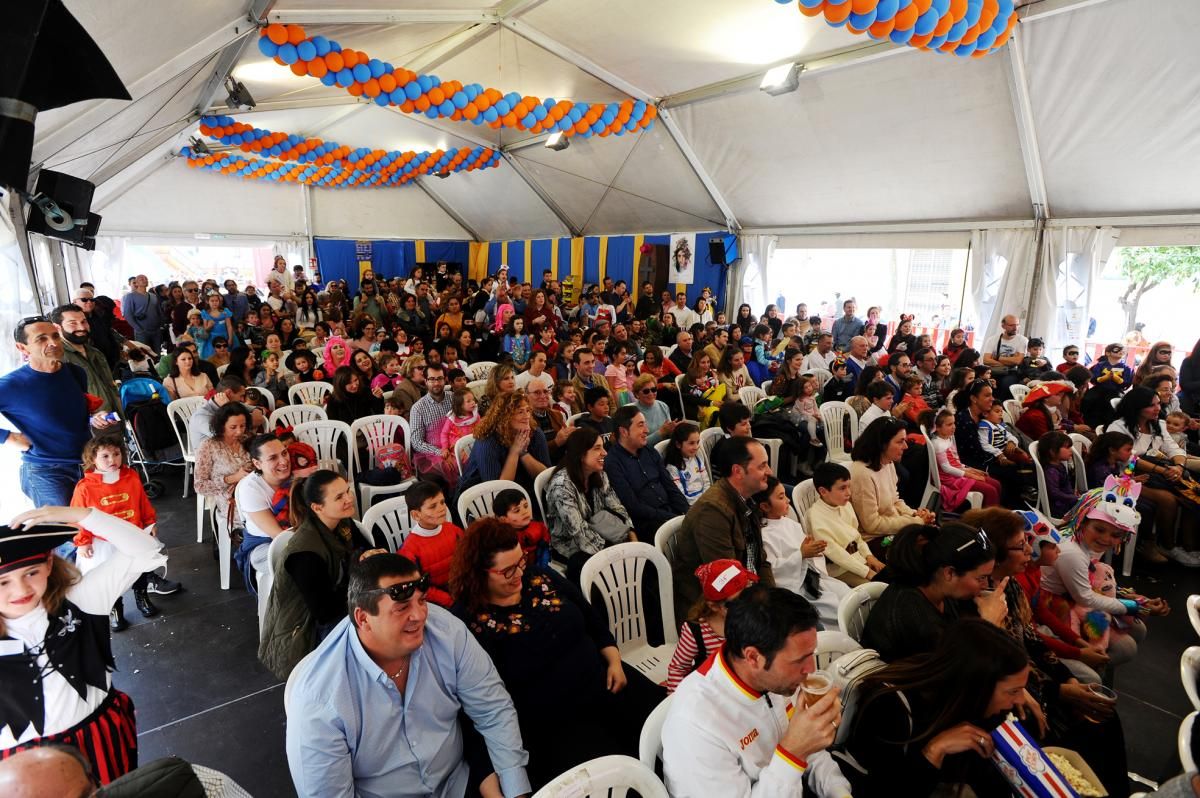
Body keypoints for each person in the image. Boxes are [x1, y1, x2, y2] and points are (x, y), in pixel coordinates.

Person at [286, 553, 532, 796]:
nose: (420, 615)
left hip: (458, 783)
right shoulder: (319, 698)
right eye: (402, 607)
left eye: (422, 600)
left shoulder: (447, 632)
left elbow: (493, 710)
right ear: (363, 618)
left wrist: (515, 789)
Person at [449, 519, 664, 789]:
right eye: (507, 571)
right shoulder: (466, 623)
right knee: (617, 779)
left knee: (669, 732)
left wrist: (613, 659)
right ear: (479, 572)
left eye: (521, 562)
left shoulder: (542, 577)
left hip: (605, 679)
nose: (518, 573)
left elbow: (592, 619)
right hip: (555, 721)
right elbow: (475, 709)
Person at [0, 505, 166, 782]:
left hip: (98, 734)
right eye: (2, 582)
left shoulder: (81, 600)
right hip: (19, 760)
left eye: (31, 572)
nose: (21, 590)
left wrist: (82, 516)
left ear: (50, 564)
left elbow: (146, 550)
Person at [662, 585, 851, 798]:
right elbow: (798, 750)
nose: (811, 670)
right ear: (753, 657)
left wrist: (838, 790)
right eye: (799, 660)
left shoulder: (777, 679)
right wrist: (793, 752)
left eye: (811, 654)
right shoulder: (696, 726)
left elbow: (813, 753)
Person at [844, 619, 1029, 797]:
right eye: (1013, 691)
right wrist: (934, 751)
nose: (1020, 700)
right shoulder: (888, 708)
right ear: (976, 685)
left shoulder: (964, 699)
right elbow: (887, 790)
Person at [1040, 477, 1168, 669]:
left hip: (1076, 597)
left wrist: (1131, 598)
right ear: (1083, 521)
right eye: (1099, 529)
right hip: (1053, 605)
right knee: (1126, 648)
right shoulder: (1071, 552)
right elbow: (1085, 598)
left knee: (1137, 630)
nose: (1106, 539)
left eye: (1116, 535)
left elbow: (1091, 580)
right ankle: (1080, 675)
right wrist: (1136, 606)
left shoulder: (1088, 542)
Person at [259, 471, 377, 679]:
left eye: (347, 492)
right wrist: (358, 571)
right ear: (317, 507)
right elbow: (325, 611)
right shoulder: (304, 552)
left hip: (340, 603)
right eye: (339, 497)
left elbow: (366, 555)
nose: (349, 498)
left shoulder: (343, 524)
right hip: (304, 630)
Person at [0, 317, 122, 508]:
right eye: (41, 339)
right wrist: (8, 437)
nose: (53, 343)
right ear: (23, 348)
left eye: (55, 336)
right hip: (47, 471)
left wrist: (94, 417)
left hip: (86, 463)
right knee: (63, 532)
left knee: (95, 527)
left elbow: (74, 412)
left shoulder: (75, 372)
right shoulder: (11, 385)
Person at [69, 435, 179, 630]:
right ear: (93, 459)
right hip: (104, 542)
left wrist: (149, 522)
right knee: (111, 577)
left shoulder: (131, 476)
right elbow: (79, 517)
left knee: (140, 569)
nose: (112, 460)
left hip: (134, 535)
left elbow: (142, 502)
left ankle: (142, 598)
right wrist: (83, 541)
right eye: (105, 456)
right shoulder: (85, 487)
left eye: (116, 454)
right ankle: (114, 609)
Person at [671, 437, 775, 622]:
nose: (769, 471)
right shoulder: (713, 512)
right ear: (738, 471)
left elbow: (761, 561)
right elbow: (727, 582)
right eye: (762, 466)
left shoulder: (747, 501)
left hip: (744, 595)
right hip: (714, 612)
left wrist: (774, 600)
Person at [1109, 386, 1198, 557]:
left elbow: (1174, 449)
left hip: (1156, 474)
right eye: (1152, 405)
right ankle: (1167, 545)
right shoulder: (1119, 427)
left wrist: (1178, 467)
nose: (1158, 408)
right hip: (1126, 477)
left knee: (1191, 494)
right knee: (1168, 499)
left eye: (1158, 403)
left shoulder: (1159, 425)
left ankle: (1188, 545)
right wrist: (1161, 470)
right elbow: (1129, 459)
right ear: (1137, 406)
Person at [755, 475, 848, 629]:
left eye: (785, 494)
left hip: (813, 577)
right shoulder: (763, 535)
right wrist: (801, 555)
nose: (788, 500)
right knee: (835, 610)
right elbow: (772, 569)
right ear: (765, 506)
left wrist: (813, 551)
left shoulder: (790, 523)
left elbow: (807, 553)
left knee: (845, 593)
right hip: (796, 588)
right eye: (781, 497)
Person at [545, 428, 634, 582]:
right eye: (597, 448)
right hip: (571, 546)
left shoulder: (598, 474)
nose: (605, 453)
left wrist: (631, 534)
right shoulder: (561, 486)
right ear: (580, 454)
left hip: (603, 532)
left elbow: (616, 507)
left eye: (603, 447)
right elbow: (578, 532)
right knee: (616, 572)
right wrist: (616, 554)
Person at [666, 559, 758, 692]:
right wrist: (676, 701)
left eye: (748, 594)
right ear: (714, 606)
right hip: (712, 692)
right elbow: (678, 668)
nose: (746, 604)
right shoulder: (696, 631)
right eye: (736, 602)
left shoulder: (755, 617)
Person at [849, 417, 935, 548]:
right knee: (932, 546)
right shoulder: (862, 474)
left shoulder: (887, 462)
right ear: (882, 444)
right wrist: (914, 522)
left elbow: (895, 500)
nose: (905, 446)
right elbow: (872, 525)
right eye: (900, 442)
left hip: (891, 529)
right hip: (873, 540)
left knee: (936, 534)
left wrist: (914, 514)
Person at [604, 405, 690, 534]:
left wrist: (688, 512)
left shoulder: (649, 451)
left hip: (671, 512)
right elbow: (633, 506)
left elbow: (669, 485)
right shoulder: (612, 462)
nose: (647, 430)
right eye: (640, 425)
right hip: (648, 524)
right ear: (624, 432)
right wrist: (673, 519)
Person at [459, 392, 550, 504]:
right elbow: (498, 491)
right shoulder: (487, 442)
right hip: (482, 499)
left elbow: (545, 477)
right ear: (505, 417)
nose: (527, 416)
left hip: (524, 493)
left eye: (528, 410)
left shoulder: (535, 433)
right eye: (520, 412)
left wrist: (523, 453)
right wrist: (514, 452)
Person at [807, 461, 887, 589]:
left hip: (858, 561)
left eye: (849, 486)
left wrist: (870, 557)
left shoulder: (845, 505)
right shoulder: (815, 517)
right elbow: (838, 556)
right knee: (878, 589)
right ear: (823, 491)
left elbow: (857, 537)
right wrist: (867, 572)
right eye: (842, 488)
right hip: (838, 570)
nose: (848, 493)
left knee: (891, 576)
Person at [233, 434, 293, 595]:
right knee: (301, 567)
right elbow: (278, 535)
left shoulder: (298, 474)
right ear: (257, 463)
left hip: (300, 535)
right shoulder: (250, 488)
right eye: (273, 458)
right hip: (266, 545)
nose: (283, 461)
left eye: (284, 453)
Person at [194, 403, 254, 559]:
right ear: (221, 426)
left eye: (243, 426)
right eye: (233, 427)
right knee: (256, 517)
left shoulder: (248, 440)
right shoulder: (209, 446)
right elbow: (200, 486)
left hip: (254, 491)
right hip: (229, 500)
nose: (239, 431)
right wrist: (232, 478)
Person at [396, 481, 464, 608]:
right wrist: (449, 600)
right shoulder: (409, 549)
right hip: (437, 602)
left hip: (462, 588)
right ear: (416, 515)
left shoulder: (453, 530)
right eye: (433, 506)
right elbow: (418, 586)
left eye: (442, 502)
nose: (441, 508)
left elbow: (468, 558)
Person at [51, 304, 122, 417]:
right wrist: (91, 418)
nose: (82, 328)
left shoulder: (96, 353)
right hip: (89, 427)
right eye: (73, 323)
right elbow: (58, 400)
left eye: (84, 322)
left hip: (113, 419)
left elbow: (110, 386)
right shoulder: (57, 359)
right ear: (57, 327)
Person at [928, 408, 1002, 509]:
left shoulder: (948, 438)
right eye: (949, 425)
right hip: (950, 479)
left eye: (954, 423)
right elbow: (947, 469)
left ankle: (993, 514)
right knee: (991, 490)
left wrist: (972, 470)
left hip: (958, 473)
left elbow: (956, 462)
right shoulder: (938, 444)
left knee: (996, 484)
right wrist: (971, 475)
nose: (954, 427)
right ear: (937, 427)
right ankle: (989, 520)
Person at [188, 375, 249, 451]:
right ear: (229, 393)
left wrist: (259, 410)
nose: (243, 400)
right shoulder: (201, 416)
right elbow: (225, 437)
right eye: (241, 396)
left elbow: (255, 409)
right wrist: (226, 408)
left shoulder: (234, 404)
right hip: (210, 456)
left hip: (229, 449)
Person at [981, 315, 1027, 399]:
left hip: (1012, 372)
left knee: (1006, 384)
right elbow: (986, 360)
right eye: (1011, 325)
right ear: (1003, 326)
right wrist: (1010, 361)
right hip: (995, 370)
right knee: (983, 384)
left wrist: (997, 357)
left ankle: (1001, 406)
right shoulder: (992, 339)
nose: (1015, 328)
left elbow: (1018, 361)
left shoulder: (1023, 340)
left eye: (1017, 325)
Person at [121, 275, 164, 352]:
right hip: (142, 331)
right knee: (144, 353)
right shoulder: (130, 296)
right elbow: (128, 314)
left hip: (156, 330)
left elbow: (159, 311)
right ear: (136, 283)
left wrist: (160, 324)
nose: (145, 280)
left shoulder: (153, 296)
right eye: (141, 279)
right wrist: (138, 328)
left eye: (146, 279)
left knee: (157, 352)